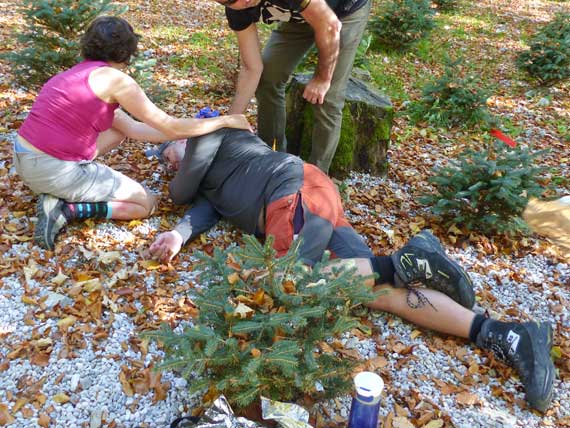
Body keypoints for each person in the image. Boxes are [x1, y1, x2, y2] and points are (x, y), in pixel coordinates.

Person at [146, 128, 555, 413]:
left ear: (183, 140)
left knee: (290, 284)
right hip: (313, 200)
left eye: (168, 157)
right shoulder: (211, 182)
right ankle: (503, 333)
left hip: (292, 194)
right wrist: (179, 234)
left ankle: (398, 262)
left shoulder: (211, 134)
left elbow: (180, 189)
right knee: (374, 289)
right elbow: (199, 207)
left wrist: (182, 142)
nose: (169, 168)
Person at [13, 16, 251, 250]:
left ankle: (64, 188)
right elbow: (169, 125)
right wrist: (226, 120)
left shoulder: (76, 74)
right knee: (145, 204)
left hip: (24, 159)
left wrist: (180, 135)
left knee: (118, 132)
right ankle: (67, 210)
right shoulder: (116, 80)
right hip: (53, 170)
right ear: (126, 52)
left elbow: (134, 129)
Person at [212, 0, 371, 173]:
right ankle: (271, 161)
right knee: (268, 79)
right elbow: (252, 68)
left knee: (328, 97)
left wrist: (322, 78)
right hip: (302, 16)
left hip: (344, 12)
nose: (244, 0)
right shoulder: (236, 10)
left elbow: (330, 25)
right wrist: (229, 123)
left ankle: (316, 178)